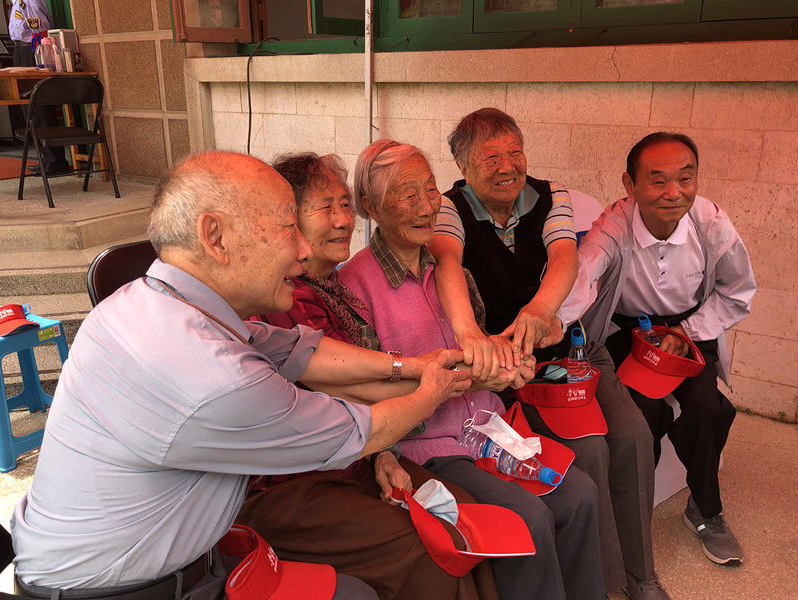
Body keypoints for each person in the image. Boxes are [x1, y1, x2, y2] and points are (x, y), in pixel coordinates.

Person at [10, 151, 473, 600]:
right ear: (215, 237)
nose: (304, 248)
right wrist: (432, 390)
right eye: (289, 226)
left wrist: (412, 366)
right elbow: (358, 430)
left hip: (157, 564)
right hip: (125, 590)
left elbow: (298, 349)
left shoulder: (153, 301)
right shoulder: (212, 375)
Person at [339, 139, 605, 600]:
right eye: (408, 195)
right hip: (427, 445)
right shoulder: (353, 286)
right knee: (528, 519)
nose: (427, 207)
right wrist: (388, 452)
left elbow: (480, 347)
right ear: (370, 206)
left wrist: (511, 364)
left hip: (488, 427)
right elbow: (367, 391)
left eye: (431, 190)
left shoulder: (452, 270)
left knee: (580, 494)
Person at [429, 108, 666, 600]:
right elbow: (447, 260)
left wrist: (540, 310)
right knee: (590, 449)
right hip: (514, 365)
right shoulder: (449, 209)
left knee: (634, 436)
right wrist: (472, 336)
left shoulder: (550, 194)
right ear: (463, 167)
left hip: (572, 348)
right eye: (490, 157)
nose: (507, 165)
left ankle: (642, 575)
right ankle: (604, 583)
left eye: (514, 151)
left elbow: (564, 254)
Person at [239, 151, 499, 600]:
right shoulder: (283, 296)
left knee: (464, 516)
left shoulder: (335, 289)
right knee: (427, 545)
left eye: (344, 205)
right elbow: (346, 388)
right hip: (297, 478)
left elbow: (356, 390)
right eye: (326, 208)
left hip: (356, 456)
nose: (343, 220)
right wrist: (441, 380)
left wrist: (384, 455)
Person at [576, 132, 756, 566]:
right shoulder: (613, 226)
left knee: (708, 409)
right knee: (640, 413)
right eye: (657, 180)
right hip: (627, 331)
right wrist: (543, 321)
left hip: (690, 329)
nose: (674, 193)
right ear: (630, 184)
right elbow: (580, 278)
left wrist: (687, 329)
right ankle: (631, 514)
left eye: (685, 179)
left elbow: (737, 292)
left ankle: (705, 510)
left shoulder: (710, 223)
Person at [8, 0, 71, 175]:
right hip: (22, 50)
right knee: (30, 107)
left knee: (38, 106)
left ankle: (55, 161)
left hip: (31, 50)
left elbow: (39, 28)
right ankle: (48, 159)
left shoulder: (27, 1)